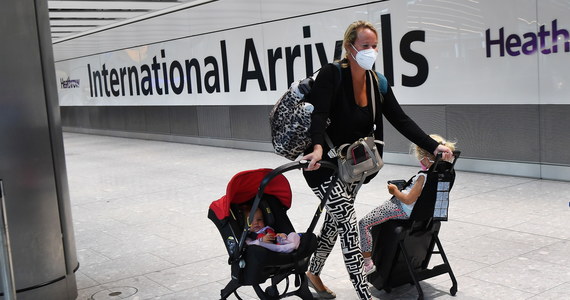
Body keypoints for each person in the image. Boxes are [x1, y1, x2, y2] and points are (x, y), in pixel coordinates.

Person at [301, 21, 454, 300]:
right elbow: (318, 115)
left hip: (352, 168)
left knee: (335, 222)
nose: (370, 51)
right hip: (321, 165)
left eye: (374, 46)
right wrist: (318, 147)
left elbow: (401, 119)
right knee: (348, 223)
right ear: (349, 47)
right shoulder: (331, 75)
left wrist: (435, 146)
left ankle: (313, 272)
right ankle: (364, 293)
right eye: (364, 46)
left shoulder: (377, 81)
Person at [359, 134, 456, 274]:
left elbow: (408, 199)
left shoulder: (423, 176)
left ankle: (367, 263)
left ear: (424, 157)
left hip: (403, 208)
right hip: (422, 212)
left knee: (364, 223)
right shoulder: (443, 175)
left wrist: (395, 191)